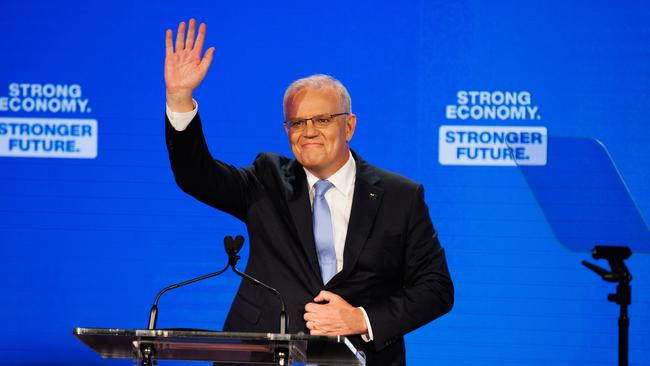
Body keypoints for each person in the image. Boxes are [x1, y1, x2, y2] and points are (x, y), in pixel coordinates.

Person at [164, 19, 453, 366]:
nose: (308, 131)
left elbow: (436, 289)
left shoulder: (400, 197)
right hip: (264, 357)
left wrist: (362, 319)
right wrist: (180, 99)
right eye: (297, 123)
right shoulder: (267, 179)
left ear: (349, 126)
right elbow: (196, 175)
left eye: (323, 120)